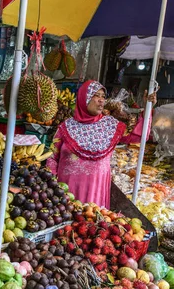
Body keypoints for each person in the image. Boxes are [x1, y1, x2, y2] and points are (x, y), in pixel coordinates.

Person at [46, 80, 156, 208]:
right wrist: (51, 186)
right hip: (66, 192)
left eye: (103, 96)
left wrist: (148, 108)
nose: (101, 100)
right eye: (96, 95)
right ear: (83, 98)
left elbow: (138, 136)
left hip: (95, 193)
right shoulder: (66, 127)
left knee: (91, 223)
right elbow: (52, 157)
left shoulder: (110, 125)